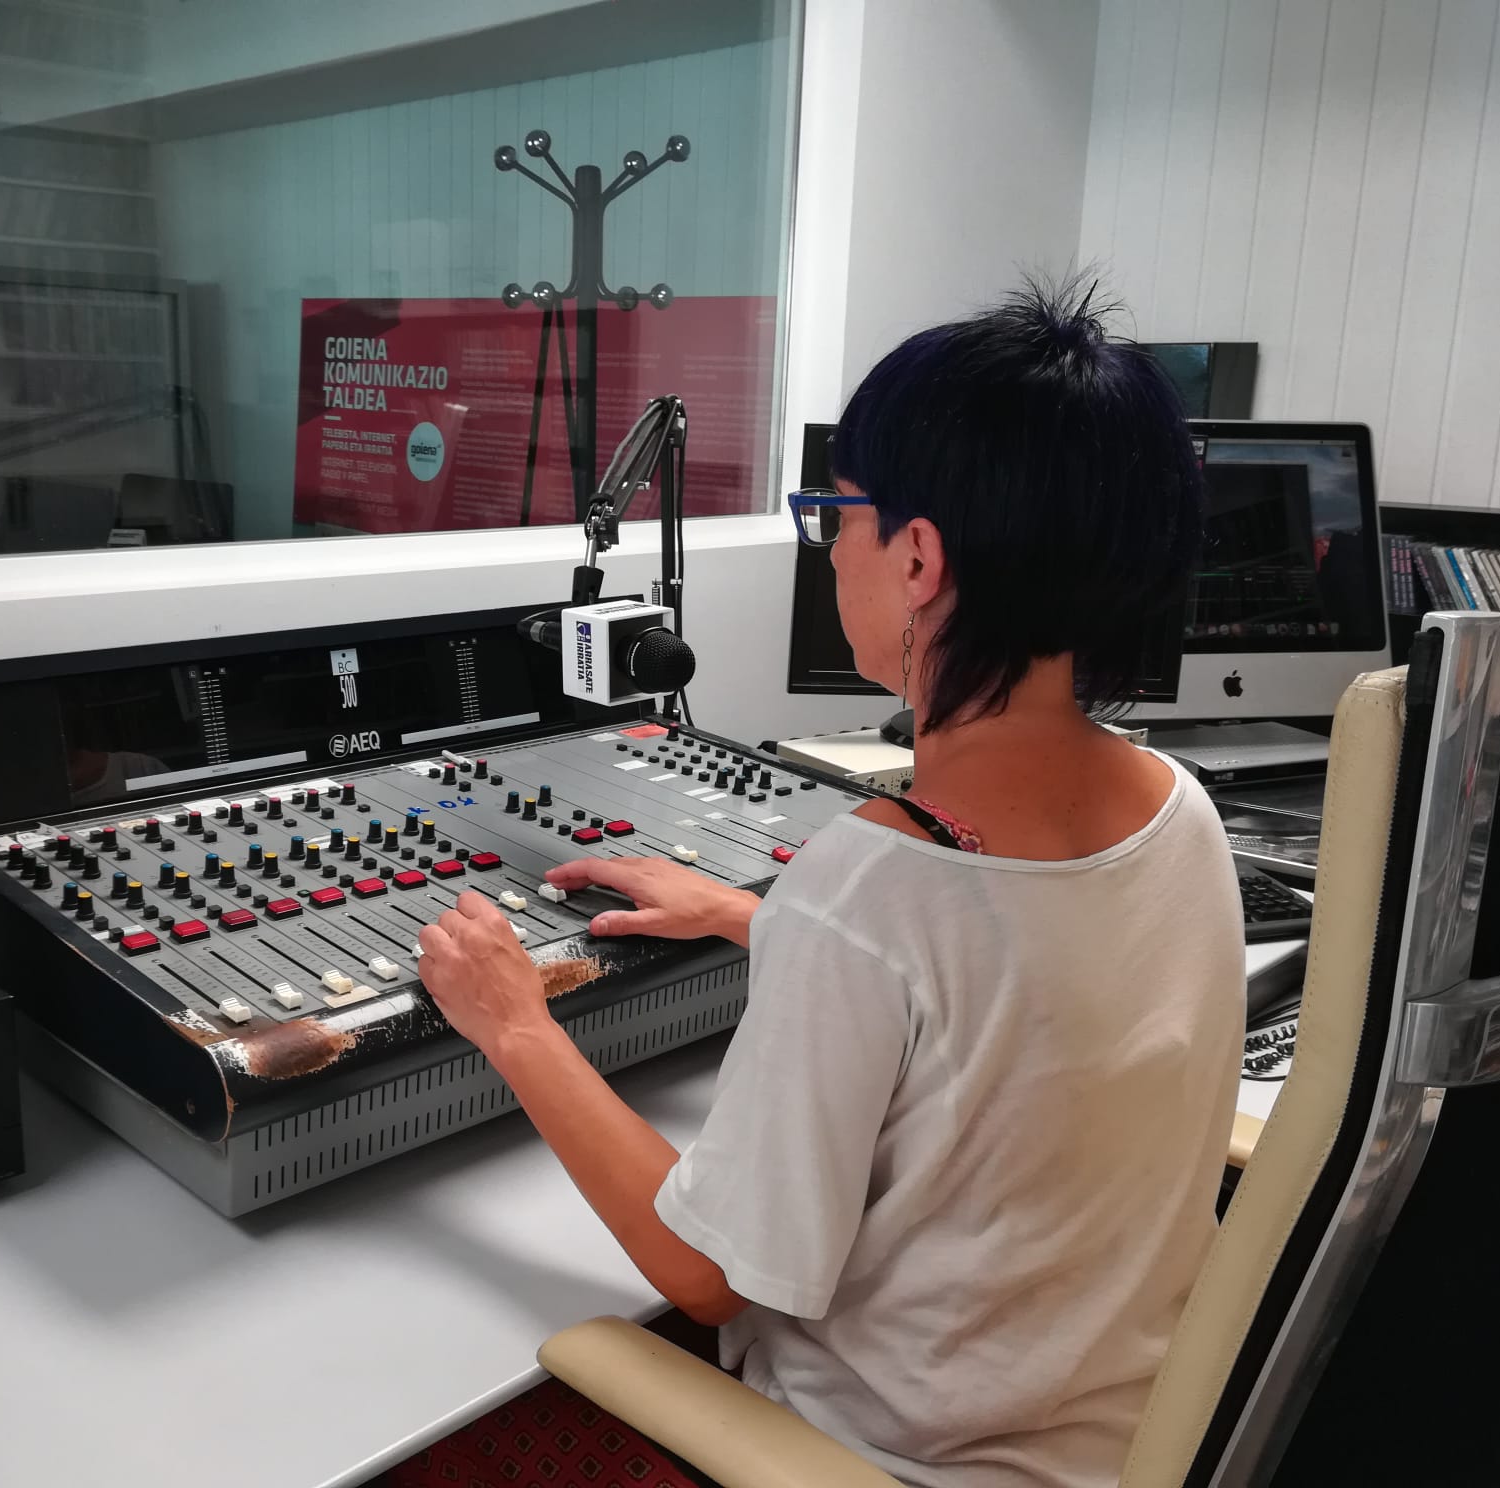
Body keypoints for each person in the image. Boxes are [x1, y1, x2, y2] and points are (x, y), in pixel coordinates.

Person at [395, 279, 1245, 1488]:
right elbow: (1012, 997)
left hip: (888, 1462)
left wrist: (514, 1023)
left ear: (916, 558)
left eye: (834, 515)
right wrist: (760, 918)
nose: (830, 547)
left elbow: (706, 1275)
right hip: (1126, 1443)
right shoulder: (1179, 809)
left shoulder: (872, 890)